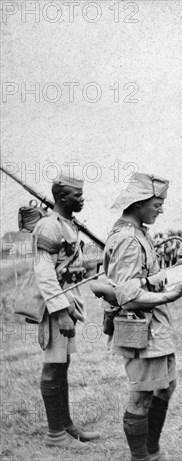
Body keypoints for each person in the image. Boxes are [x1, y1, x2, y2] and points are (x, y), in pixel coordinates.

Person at [103, 172, 182, 461]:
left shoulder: (139, 233)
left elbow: (141, 279)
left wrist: (169, 273)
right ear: (139, 202)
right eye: (157, 204)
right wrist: (169, 294)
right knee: (143, 395)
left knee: (166, 387)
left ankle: (151, 451)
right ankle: (141, 457)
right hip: (140, 327)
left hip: (153, 326)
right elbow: (128, 295)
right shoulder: (129, 239)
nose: (161, 209)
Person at [33, 170, 99, 450]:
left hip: (68, 300)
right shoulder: (48, 226)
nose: (82, 199)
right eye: (77, 195)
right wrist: (60, 311)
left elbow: (76, 265)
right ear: (61, 196)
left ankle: (66, 425)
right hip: (55, 305)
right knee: (53, 368)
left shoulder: (68, 225)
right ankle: (54, 434)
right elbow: (44, 272)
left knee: (63, 367)